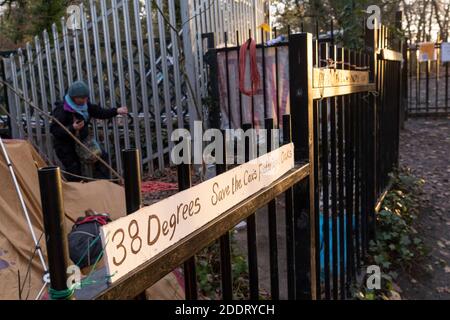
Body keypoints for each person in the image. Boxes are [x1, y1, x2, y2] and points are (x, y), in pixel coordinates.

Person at [50, 80, 128, 181]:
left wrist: (116, 111)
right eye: (81, 98)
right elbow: (54, 130)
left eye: (86, 97)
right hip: (66, 146)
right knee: (74, 170)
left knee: (101, 157)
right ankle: (78, 193)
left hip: (84, 141)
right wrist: (72, 128)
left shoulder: (86, 105)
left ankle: (103, 185)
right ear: (74, 97)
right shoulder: (61, 110)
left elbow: (99, 112)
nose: (84, 100)